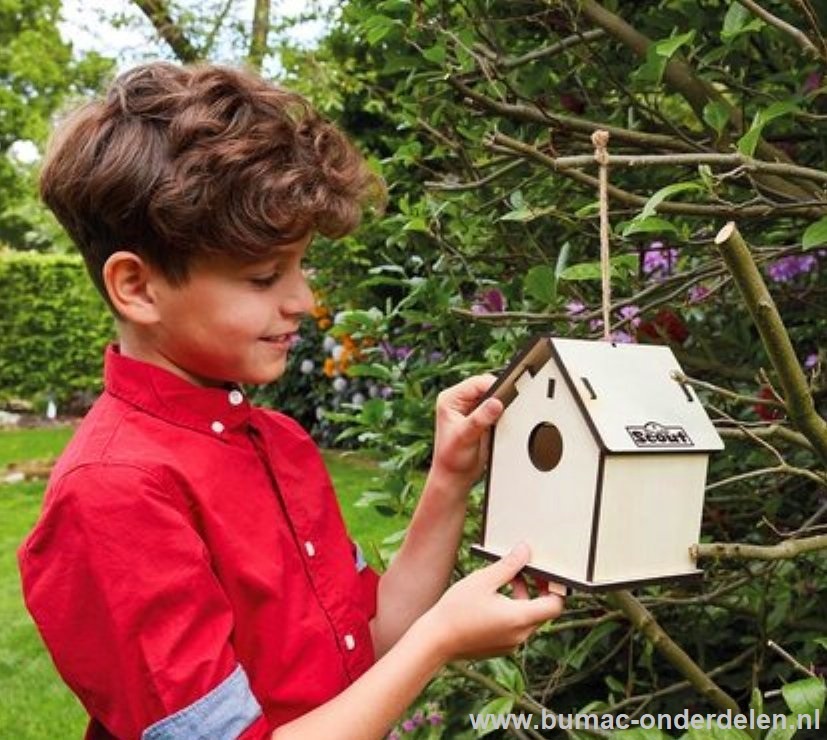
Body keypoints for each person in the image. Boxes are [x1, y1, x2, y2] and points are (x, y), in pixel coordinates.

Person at [19, 61, 565, 740]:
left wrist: (451, 476)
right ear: (138, 287)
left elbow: (372, 637)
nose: (302, 300)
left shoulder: (278, 442)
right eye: (262, 276)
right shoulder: (114, 495)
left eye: (300, 266)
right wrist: (441, 642)